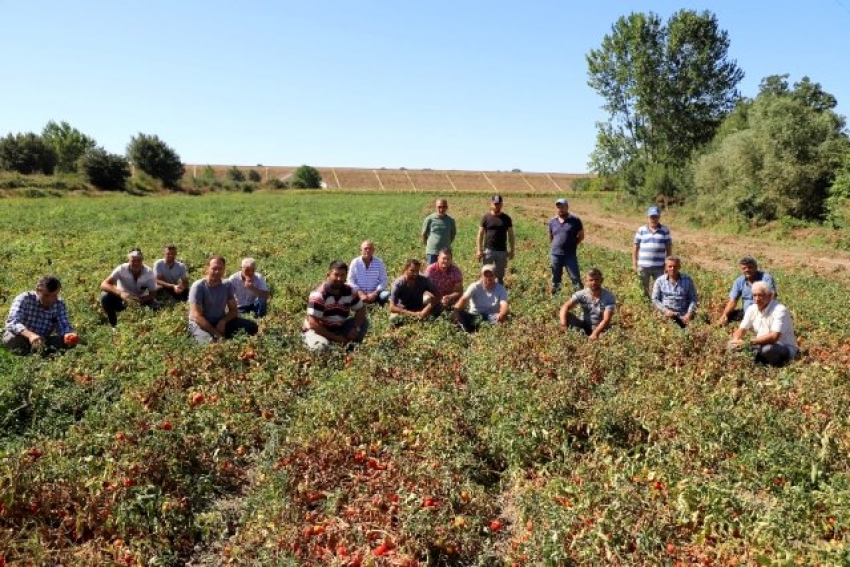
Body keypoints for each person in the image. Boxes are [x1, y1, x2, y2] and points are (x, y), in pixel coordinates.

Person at [187, 255, 258, 344]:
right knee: (211, 343)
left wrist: (223, 322)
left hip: (218, 321)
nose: (217, 272)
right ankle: (204, 336)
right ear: (207, 268)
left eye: (220, 269)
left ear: (224, 270)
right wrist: (216, 333)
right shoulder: (198, 286)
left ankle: (224, 337)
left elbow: (234, 311)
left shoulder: (227, 285)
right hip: (200, 324)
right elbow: (197, 316)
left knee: (253, 327)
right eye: (214, 268)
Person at [303, 260, 369, 352]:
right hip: (318, 331)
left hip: (339, 327)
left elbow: (361, 309)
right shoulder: (319, 295)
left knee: (363, 322)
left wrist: (355, 328)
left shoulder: (350, 291)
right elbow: (313, 324)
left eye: (342, 275)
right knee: (320, 347)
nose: (339, 278)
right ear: (328, 275)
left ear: (346, 276)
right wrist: (336, 338)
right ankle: (319, 343)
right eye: (336, 275)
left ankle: (351, 347)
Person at [728, 281, 797, 367]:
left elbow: (773, 337)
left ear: (770, 296)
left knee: (768, 349)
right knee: (731, 344)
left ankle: (778, 366)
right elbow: (741, 329)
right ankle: (756, 362)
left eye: (760, 295)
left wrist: (747, 342)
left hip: (782, 346)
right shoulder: (752, 309)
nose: (757, 299)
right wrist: (736, 340)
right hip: (759, 344)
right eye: (754, 295)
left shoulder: (779, 310)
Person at [3, 275, 78, 354]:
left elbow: (63, 325)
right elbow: (12, 322)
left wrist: (69, 335)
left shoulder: (59, 303)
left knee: (68, 342)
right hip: (22, 337)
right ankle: (30, 354)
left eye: (54, 295)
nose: (50, 300)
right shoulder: (25, 298)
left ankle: (40, 352)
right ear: (38, 290)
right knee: (10, 339)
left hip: (43, 340)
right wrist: (30, 336)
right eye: (46, 295)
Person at [100, 249, 160, 327]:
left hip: (140, 299)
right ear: (128, 260)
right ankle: (113, 324)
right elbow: (104, 284)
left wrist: (143, 300)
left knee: (156, 310)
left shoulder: (149, 272)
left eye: (138, 260)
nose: (136, 263)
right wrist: (120, 293)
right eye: (133, 260)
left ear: (142, 260)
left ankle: (142, 325)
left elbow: (153, 293)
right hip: (122, 299)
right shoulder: (121, 269)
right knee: (105, 296)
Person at [559, 268, 615, 340]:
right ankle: (579, 336)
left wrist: (595, 333)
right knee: (567, 316)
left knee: (607, 338)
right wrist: (563, 325)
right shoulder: (582, 294)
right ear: (586, 282)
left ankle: (586, 337)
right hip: (584, 325)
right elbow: (565, 307)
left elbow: (606, 320)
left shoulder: (608, 297)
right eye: (591, 280)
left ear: (601, 280)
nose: (594, 282)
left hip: (600, 328)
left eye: (596, 279)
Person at [718, 256, 777, 325]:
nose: (747, 270)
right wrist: (725, 315)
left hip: (764, 311)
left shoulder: (766, 278)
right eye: (744, 268)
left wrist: (762, 311)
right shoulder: (739, 281)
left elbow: (772, 296)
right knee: (728, 315)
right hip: (747, 312)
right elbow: (733, 301)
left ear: (756, 268)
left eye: (750, 267)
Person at [452, 264, 510, 332]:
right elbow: (463, 299)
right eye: (486, 275)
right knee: (459, 314)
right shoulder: (475, 286)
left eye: (491, 275)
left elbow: (504, 305)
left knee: (503, 318)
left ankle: (483, 330)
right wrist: (456, 311)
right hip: (473, 315)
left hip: (491, 316)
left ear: (495, 276)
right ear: (481, 276)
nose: (488, 278)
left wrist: (502, 314)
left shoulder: (501, 289)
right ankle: (468, 329)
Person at [633, 206, 673, 298]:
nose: (653, 219)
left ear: (659, 217)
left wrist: (668, 264)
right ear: (648, 217)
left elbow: (668, 249)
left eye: (655, 216)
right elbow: (635, 248)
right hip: (643, 266)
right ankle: (645, 307)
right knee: (643, 290)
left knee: (659, 289)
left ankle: (657, 307)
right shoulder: (641, 230)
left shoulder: (665, 230)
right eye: (651, 217)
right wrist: (634, 264)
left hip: (659, 267)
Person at [548, 197, 585, 293]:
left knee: (575, 278)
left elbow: (581, 236)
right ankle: (555, 299)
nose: (560, 209)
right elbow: (551, 237)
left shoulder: (575, 220)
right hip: (555, 254)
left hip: (570, 255)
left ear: (567, 207)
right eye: (558, 207)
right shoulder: (552, 221)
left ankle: (581, 299)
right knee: (555, 279)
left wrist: (573, 244)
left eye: (562, 206)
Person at [476, 195, 515, 284]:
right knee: (485, 274)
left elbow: (511, 235)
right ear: (491, 204)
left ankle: (499, 295)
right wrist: (479, 249)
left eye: (498, 204)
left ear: (501, 205)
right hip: (488, 251)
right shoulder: (486, 217)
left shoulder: (506, 218)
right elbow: (480, 234)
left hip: (501, 251)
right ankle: (485, 293)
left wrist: (512, 250)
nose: (496, 206)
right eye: (495, 204)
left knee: (500, 276)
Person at [652, 256, 698, 327]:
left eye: (675, 266)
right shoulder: (660, 281)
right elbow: (655, 299)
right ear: (666, 267)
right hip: (665, 315)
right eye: (670, 266)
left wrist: (688, 314)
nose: (672, 269)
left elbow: (693, 299)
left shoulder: (687, 280)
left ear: (679, 267)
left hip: (683, 315)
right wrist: (665, 311)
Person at [388, 259, 440, 323]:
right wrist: (413, 314)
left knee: (440, 306)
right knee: (393, 319)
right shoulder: (398, 283)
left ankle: (419, 318)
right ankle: (419, 318)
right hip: (404, 309)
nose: (415, 273)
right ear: (405, 270)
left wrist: (427, 309)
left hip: (419, 307)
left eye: (417, 271)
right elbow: (392, 307)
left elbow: (439, 295)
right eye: (412, 271)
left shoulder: (424, 280)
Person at [347, 240, 390, 306]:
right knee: (345, 293)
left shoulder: (379, 262)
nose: (368, 250)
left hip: (375, 294)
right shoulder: (355, 262)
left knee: (386, 295)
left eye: (370, 248)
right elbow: (350, 280)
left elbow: (384, 280)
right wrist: (360, 293)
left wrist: (375, 293)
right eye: (365, 248)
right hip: (358, 293)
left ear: (373, 250)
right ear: (361, 250)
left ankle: (377, 304)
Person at [424, 248, 464, 313]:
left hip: (449, 298)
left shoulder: (456, 271)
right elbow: (425, 289)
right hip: (434, 297)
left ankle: (450, 312)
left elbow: (459, 291)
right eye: (443, 258)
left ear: (451, 260)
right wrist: (438, 298)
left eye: (448, 259)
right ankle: (430, 311)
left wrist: (450, 297)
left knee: (465, 301)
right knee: (426, 299)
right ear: (438, 258)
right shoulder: (430, 270)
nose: (445, 261)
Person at [421, 198, 457, 266]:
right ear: (436, 207)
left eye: (443, 207)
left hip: (445, 253)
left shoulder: (451, 220)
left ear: (447, 207)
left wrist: (446, 243)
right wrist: (429, 245)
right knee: (430, 273)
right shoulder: (429, 219)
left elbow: (453, 235)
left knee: (445, 272)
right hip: (432, 252)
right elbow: (423, 234)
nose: (441, 209)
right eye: (439, 207)